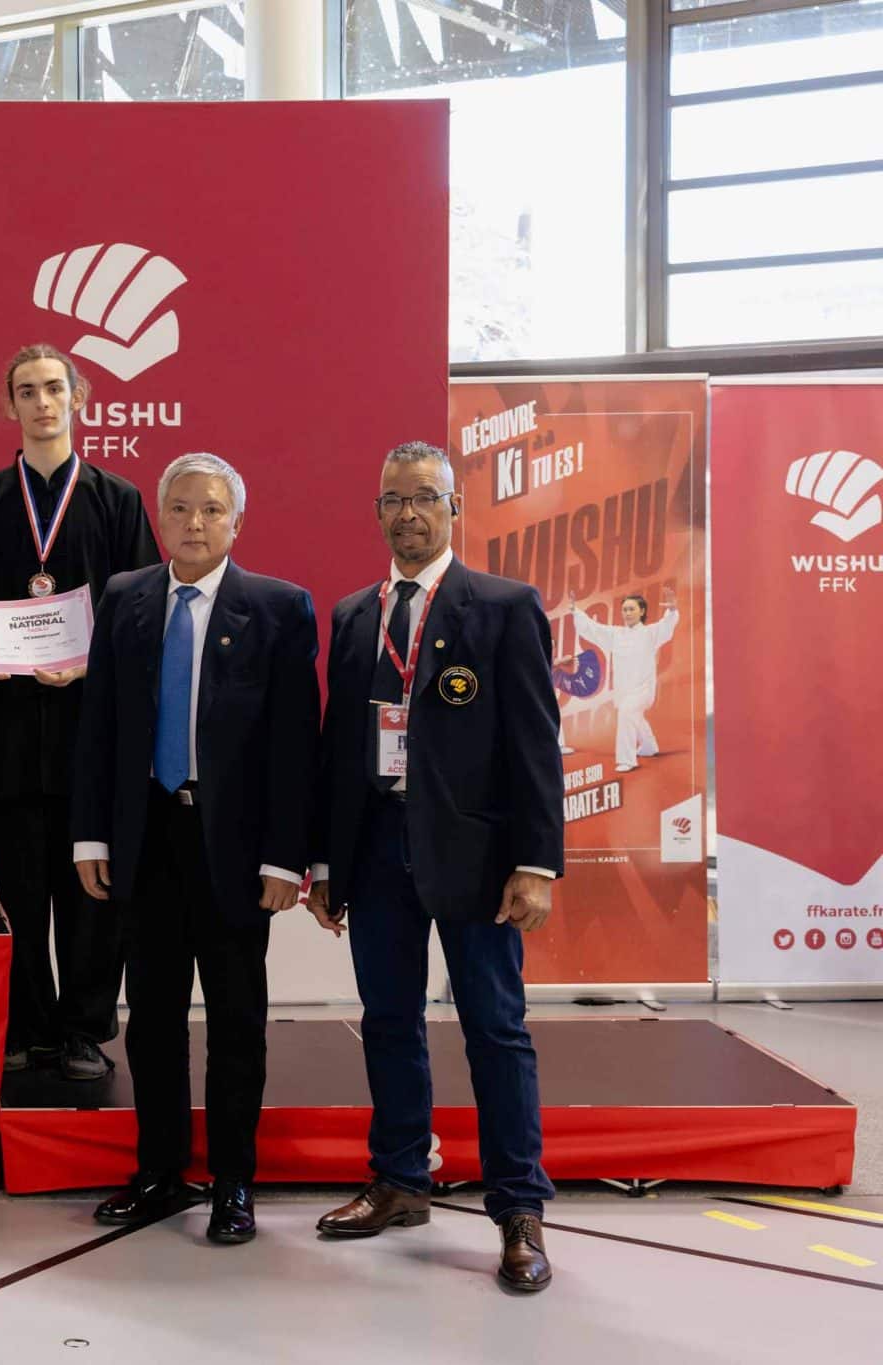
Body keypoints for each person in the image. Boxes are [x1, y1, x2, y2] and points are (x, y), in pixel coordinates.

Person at [306, 440, 563, 1292]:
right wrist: (326, 862)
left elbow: (535, 743)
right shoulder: (353, 615)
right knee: (387, 1018)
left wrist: (536, 862)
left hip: (478, 856)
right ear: (377, 512)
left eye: (424, 497)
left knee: (495, 1027)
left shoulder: (505, 606)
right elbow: (339, 750)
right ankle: (400, 1179)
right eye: (393, 499)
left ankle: (519, 1207)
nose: (408, 513)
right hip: (378, 849)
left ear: (455, 507)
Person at [72, 452, 318, 1244]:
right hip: (148, 837)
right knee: (151, 1018)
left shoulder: (278, 608)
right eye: (180, 508)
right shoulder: (125, 598)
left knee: (237, 1019)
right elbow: (100, 726)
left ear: (237, 522)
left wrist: (286, 858)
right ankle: (160, 1171)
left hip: (237, 850)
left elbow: (295, 744)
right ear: (160, 517)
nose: (195, 523)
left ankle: (233, 1181)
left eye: (212, 509)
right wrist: (91, 833)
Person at [0, 344, 157, 1079]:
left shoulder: (118, 499)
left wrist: (88, 665)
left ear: (78, 395)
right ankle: (28, 1028)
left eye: (54, 387)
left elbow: (141, 612)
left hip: (93, 727)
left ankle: (85, 1028)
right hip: (9, 729)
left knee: (93, 891)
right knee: (22, 890)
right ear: (11, 405)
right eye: (26, 390)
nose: (42, 402)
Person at [569, 586, 678, 772]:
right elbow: (593, 629)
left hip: (643, 689)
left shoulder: (650, 633)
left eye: (631, 609)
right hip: (623, 690)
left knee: (627, 712)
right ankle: (649, 746)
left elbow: (666, 626)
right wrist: (575, 611)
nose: (627, 613)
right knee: (633, 715)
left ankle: (627, 759)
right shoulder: (616, 634)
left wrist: (673, 609)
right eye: (625, 609)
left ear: (642, 611)